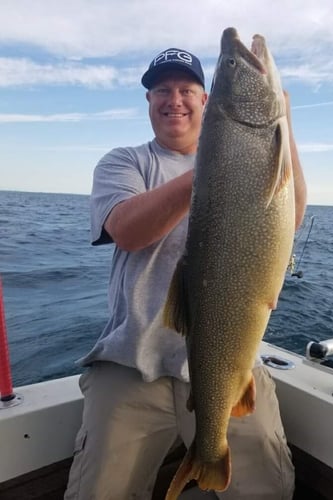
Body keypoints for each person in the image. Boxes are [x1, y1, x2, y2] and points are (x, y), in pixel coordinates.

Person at [65, 46, 307, 500]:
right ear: (149, 101)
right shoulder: (125, 162)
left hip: (231, 363)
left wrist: (281, 124)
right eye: (162, 90)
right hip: (133, 361)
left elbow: (287, 219)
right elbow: (127, 231)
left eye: (186, 90)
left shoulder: (249, 158)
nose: (173, 99)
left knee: (266, 488)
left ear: (207, 100)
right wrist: (215, 169)